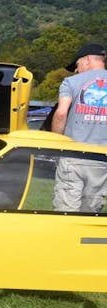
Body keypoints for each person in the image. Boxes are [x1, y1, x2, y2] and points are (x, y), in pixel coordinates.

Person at [50, 43, 107, 213]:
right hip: (102, 160)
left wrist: (55, 146)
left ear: (88, 59)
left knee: (65, 214)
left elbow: (61, 114)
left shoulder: (70, 82)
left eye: (77, 65)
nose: (76, 70)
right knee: (88, 216)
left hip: (72, 156)